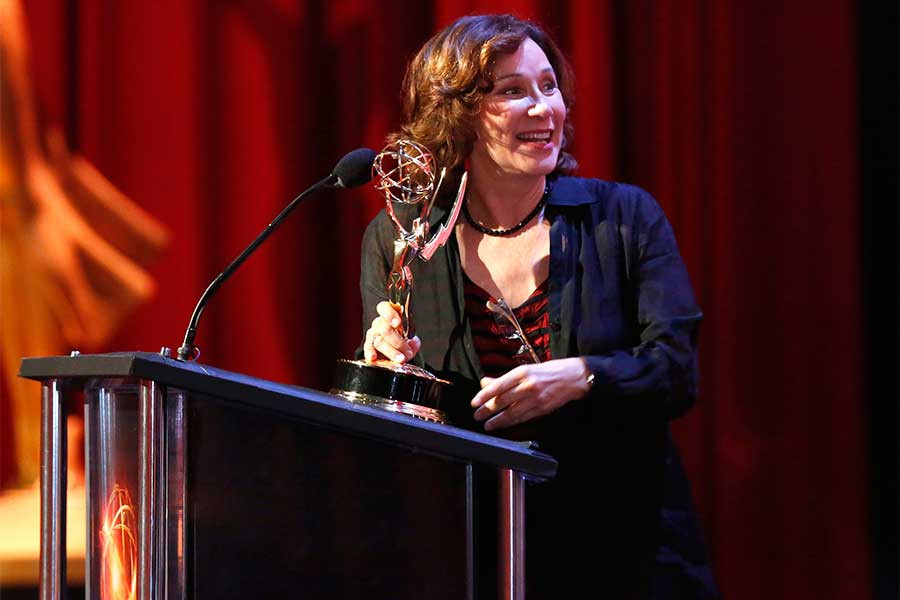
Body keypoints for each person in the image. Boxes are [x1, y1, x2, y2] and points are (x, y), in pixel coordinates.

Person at [358, 14, 719, 599]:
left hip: (627, 550)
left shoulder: (623, 218)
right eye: (512, 92)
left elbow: (676, 371)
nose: (543, 108)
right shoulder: (401, 238)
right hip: (475, 552)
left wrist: (582, 376)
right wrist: (384, 369)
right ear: (459, 113)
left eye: (549, 87)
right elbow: (392, 426)